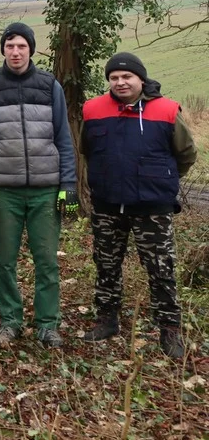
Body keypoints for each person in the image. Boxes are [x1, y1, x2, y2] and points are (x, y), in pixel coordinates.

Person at [81, 52, 198, 359]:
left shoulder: (167, 110)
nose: (120, 82)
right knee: (106, 264)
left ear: (140, 79)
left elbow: (185, 154)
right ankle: (107, 319)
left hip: (152, 208)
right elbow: (87, 150)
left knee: (161, 268)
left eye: (126, 77)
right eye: (114, 78)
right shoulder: (93, 109)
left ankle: (170, 328)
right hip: (107, 204)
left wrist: (162, 180)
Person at [0, 23, 76, 349]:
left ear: (31, 49)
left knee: (46, 260)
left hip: (46, 189)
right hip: (4, 189)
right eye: (10, 46)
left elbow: (63, 136)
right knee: (4, 261)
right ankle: (11, 321)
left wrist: (68, 183)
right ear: (3, 49)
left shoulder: (49, 86)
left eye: (22, 47)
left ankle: (47, 324)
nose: (16, 52)